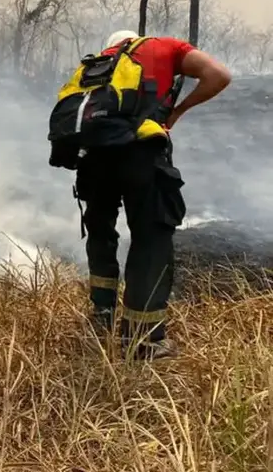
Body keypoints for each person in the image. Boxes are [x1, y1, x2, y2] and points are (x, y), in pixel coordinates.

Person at [72, 29, 231, 360]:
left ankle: (102, 315)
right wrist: (177, 111)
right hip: (139, 154)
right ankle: (144, 341)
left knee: (101, 232)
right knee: (150, 238)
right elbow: (219, 76)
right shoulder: (164, 47)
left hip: (94, 157)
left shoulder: (99, 63)